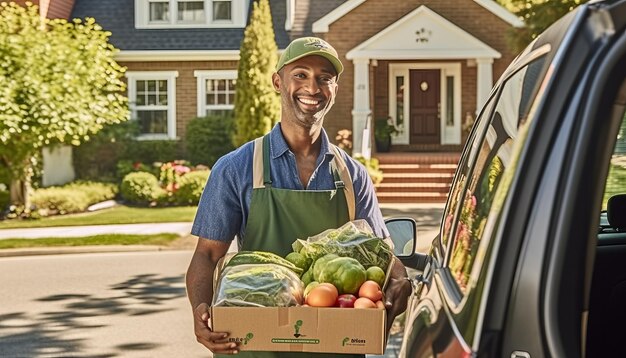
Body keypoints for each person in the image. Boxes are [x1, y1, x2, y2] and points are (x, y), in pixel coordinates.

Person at [185, 36, 412, 357]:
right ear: (278, 82)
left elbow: (381, 253)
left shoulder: (352, 175)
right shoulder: (236, 168)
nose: (313, 87)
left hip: (338, 344)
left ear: (334, 89)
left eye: (324, 78)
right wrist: (201, 308)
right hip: (256, 343)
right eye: (301, 74)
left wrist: (400, 278)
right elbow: (207, 255)